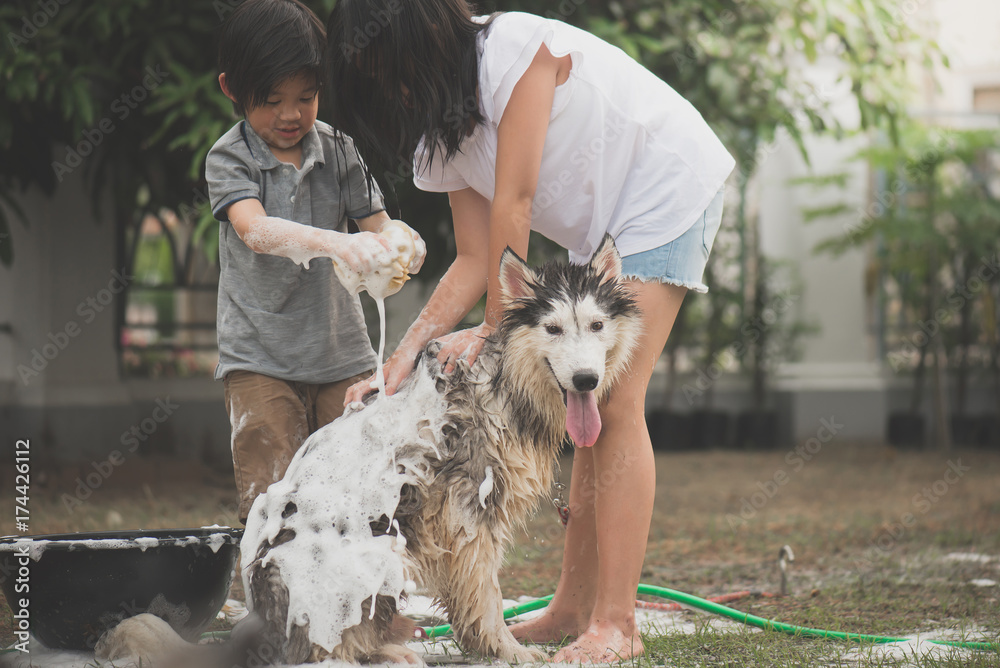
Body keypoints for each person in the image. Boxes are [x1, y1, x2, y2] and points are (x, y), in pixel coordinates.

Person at [329, 0, 734, 662]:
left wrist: (494, 329)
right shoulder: (441, 136)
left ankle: (616, 624)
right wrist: (402, 358)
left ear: (421, 41)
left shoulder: (511, 49)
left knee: (617, 398)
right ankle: (574, 609)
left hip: (665, 185)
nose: (389, 89)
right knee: (587, 401)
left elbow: (514, 203)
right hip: (602, 228)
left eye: (388, 68)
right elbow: (471, 256)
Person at [205, 0, 425, 523]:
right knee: (273, 501)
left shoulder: (340, 150)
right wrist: (335, 242)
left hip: (342, 355)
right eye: (272, 99)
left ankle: (370, 606)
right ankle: (274, 605)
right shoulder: (230, 158)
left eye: (306, 97)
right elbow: (254, 230)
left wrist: (403, 243)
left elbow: (378, 224)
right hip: (259, 358)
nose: (290, 114)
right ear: (231, 89)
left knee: (364, 489)